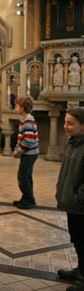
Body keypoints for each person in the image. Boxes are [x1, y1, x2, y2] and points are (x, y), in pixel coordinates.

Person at [56, 107, 84, 291]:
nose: (65, 126)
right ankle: (80, 270)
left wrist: (77, 197)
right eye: (65, 122)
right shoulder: (72, 143)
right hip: (71, 203)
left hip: (80, 205)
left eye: (70, 123)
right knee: (77, 238)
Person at [12, 97, 39, 210]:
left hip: (29, 154)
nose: (15, 108)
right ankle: (26, 197)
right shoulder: (25, 120)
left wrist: (18, 152)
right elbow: (22, 139)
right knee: (26, 177)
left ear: (22, 108)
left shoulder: (28, 121)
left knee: (23, 177)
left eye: (17, 106)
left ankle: (29, 200)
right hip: (28, 153)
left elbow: (28, 141)